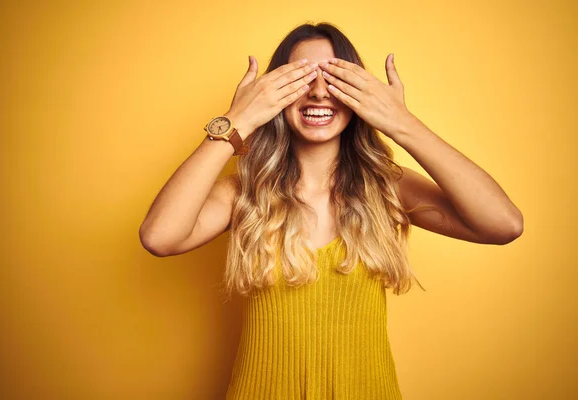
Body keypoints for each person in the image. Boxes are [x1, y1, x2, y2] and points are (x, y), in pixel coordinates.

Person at [139, 22, 523, 400]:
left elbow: (503, 224)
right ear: (274, 93)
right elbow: (159, 237)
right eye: (303, 79)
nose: (320, 93)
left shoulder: (387, 186)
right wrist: (237, 122)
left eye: (335, 79)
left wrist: (402, 123)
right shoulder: (244, 191)